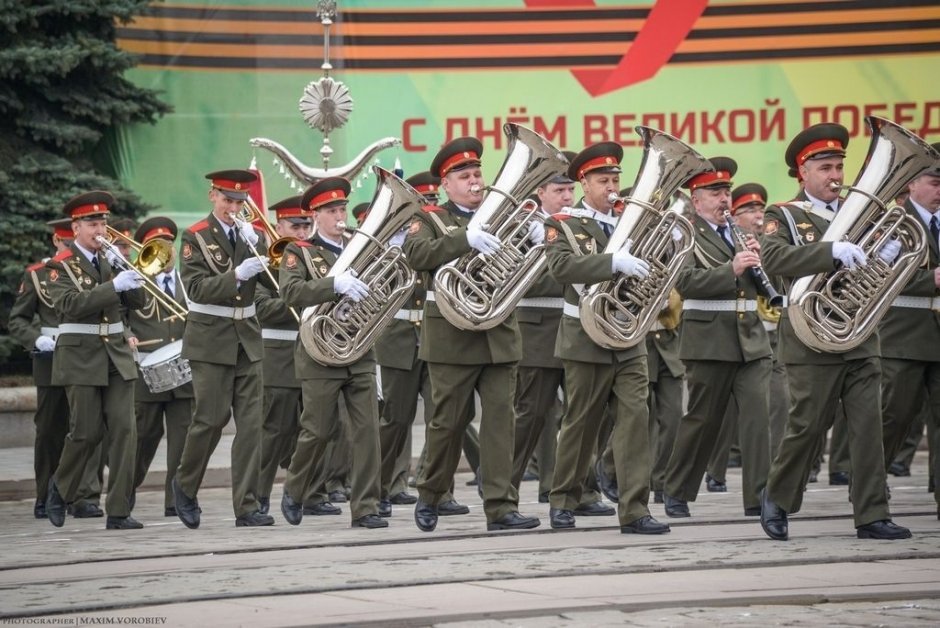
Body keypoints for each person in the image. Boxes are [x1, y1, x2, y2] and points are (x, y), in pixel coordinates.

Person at [759, 123, 911, 540]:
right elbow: (773, 260)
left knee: (867, 428)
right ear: (802, 172)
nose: (835, 177)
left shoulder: (862, 212)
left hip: (859, 334)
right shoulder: (784, 214)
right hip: (810, 338)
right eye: (825, 167)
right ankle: (779, 496)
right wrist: (830, 252)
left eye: (839, 167)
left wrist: (887, 254)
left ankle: (872, 513)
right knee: (807, 425)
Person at [404, 136, 541, 532]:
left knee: (501, 425)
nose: (475, 181)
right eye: (464, 176)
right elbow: (416, 256)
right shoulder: (428, 217)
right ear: (446, 184)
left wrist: (534, 242)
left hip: (497, 334)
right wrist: (464, 239)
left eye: (478, 173)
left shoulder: (505, 216)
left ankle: (500, 507)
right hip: (451, 335)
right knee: (448, 423)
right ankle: (431, 494)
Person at [543, 141, 668, 534]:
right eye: (603, 180)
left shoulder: (631, 220)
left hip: (629, 336)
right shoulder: (564, 222)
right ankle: (563, 499)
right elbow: (561, 267)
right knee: (581, 423)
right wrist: (611, 261)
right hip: (585, 336)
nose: (612, 186)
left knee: (635, 419)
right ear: (584, 183)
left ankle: (634, 510)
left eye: (615, 178)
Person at [661, 158, 772, 519]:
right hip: (708, 339)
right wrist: (732, 268)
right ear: (696, 200)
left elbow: (755, 287)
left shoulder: (738, 232)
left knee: (758, 419)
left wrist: (760, 266)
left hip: (750, 339)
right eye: (715, 193)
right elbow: (687, 283)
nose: (724, 199)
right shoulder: (684, 234)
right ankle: (676, 490)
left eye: (726, 192)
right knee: (701, 421)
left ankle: (759, 498)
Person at [278, 177, 387, 529]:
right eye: (331, 211)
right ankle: (295, 489)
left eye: (342, 209)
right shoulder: (300, 251)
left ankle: (366, 506)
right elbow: (290, 293)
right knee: (318, 430)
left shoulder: (362, 247)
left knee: (368, 430)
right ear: (315, 216)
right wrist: (332, 284)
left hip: (358, 349)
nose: (340, 216)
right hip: (319, 353)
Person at [172, 170, 275, 528]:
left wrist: (260, 249)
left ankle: (246, 506)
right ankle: (184, 485)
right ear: (212, 196)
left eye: (239, 202)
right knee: (210, 421)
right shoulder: (196, 236)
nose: (234, 207)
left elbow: (274, 284)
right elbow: (197, 289)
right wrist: (237, 274)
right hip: (210, 339)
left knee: (251, 426)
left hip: (247, 337)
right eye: (227, 200)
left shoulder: (253, 236)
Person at [44, 191, 147, 529]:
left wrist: (127, 271)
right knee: (85, 433)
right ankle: (59, 489)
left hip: (116, 354)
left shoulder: (111, 258)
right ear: (76, 227)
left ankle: (118, 510)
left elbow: (139, 302)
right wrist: (112, 284)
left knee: (125, 431)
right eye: (92, 223)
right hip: (81, 356)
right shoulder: (60, 265)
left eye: (103, 221)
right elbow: (69, 306)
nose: (100, 228)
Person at [8, 218, 103, 519]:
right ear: (56, 241)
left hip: (87, 357)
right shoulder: (37, 275)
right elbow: (18, 320)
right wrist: (36, 338)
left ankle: (85, 496)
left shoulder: (96, 268)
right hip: (51, 360)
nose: (69, 251)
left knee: (87, 427)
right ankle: (45, 493)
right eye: (64, 244)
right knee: (50, 429)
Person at [510, 156, 579, 507]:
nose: (567, 196)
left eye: (570, 189)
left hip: (576, 326)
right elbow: (516, 282)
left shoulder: (580, 224)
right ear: (541, 192)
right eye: (559, 190)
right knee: (533, 414)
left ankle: (570, 489)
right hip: (536, 328)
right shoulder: (521, 227)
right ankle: (504, 485)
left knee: (580, 414)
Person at [878, 143, 940, 520]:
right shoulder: (894, 222)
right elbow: (881, 274)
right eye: (935, 182)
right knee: (894, 417)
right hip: (904, 336)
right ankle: (869, 483)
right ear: (913, 183)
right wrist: (928, 278)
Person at [126, 217, 193, 517]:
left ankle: (174, 501)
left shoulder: (186, 281)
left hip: (184, 375)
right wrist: (127, 336)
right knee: (143, 438)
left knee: (182, 442)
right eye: (158, 245)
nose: (166, 250)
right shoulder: (135, 280)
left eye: (169, 244)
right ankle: (124, 492)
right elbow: (118, 316)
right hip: (148, 375)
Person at [253, 196, 313, 514]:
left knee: (316, 428)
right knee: (274, 430)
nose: (302, 232)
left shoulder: (316, 257)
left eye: (306, 225)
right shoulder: (264, 264)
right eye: (295, 225)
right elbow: (263, 308)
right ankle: (258, 495)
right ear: (278, 227)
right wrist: (307, 298)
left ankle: (311, 494)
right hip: (278, 358)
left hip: (314, 351)